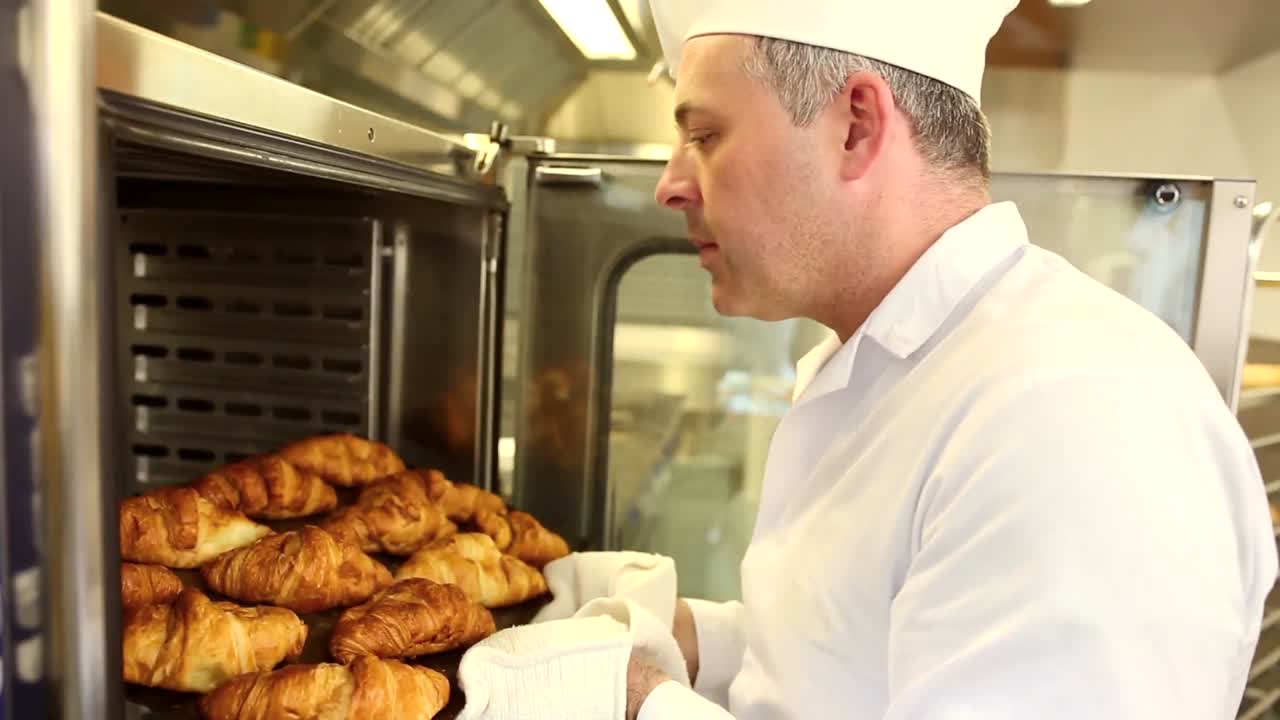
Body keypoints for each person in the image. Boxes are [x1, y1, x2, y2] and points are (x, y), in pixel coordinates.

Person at [456, 1, 1278, 718]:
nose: (671, 185)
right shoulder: (882, 366)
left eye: (704, 134)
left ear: (856, 124)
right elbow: (861, 664)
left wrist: (632, 702)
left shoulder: (1076, 423)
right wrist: (698, 640)